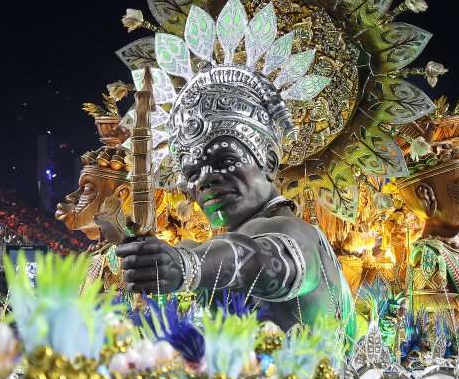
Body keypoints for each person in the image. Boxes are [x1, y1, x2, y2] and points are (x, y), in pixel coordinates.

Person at [116, 66, 349, 330]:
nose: (204, 179)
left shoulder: (293, 231)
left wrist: (184, 266)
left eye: (224, 160)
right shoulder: (214, 249)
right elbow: (200, 251)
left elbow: (264, 259)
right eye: (192, 172)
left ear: (269, 162)